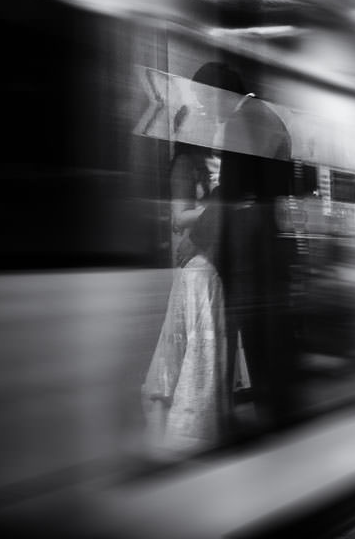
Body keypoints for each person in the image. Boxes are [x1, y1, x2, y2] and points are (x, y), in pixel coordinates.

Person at [192, 61, 295, 432]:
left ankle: (268, 410)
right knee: (267, 328)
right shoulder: (266, 114)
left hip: (251, 245)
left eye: (204, 97)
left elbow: (233, 189)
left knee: (253, 327)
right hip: (268, 237)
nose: (203, 106)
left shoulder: (242, 120)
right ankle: (276, 405)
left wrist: (196, 222)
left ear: (220, 92)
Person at [142, 105, 228, 455]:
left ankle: (190, 423)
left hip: (203, 260)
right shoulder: (183, 165)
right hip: (197, 264)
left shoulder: (201, 164)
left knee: (194, 342)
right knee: (198, 344)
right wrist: (221, 208)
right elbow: (179, 218)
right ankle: (191, 427)